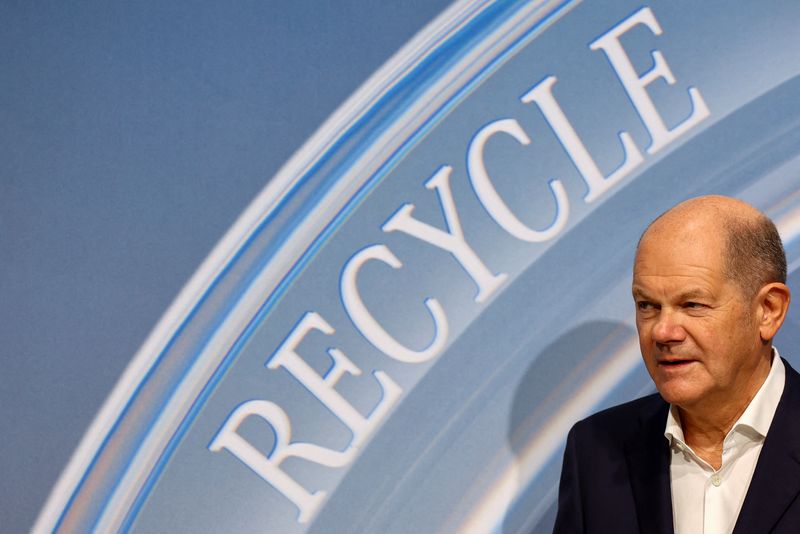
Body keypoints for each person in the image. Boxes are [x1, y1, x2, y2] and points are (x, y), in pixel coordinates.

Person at [553, 195, 799, 533]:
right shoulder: (596, 449)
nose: (663, 332)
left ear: (768, 310)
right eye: (647, 305)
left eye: (692, 304)